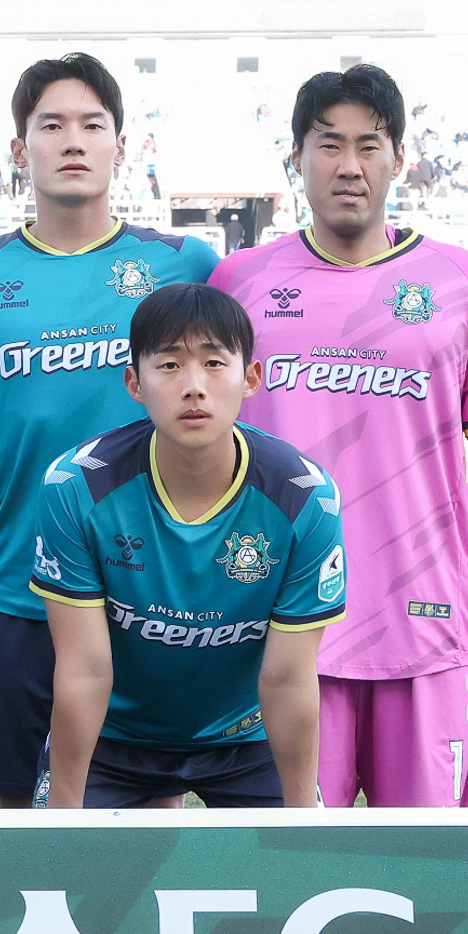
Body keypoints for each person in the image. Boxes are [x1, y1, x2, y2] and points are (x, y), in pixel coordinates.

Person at [210, 63, 468, 811]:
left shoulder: (462, 282)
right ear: (297, 157)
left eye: (369, 145)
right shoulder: (238, 282)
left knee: (429, 863)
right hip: (282, 633)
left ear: (398, 159)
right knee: (289, 862)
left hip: (425, 632)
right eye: (329, 144)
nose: (349, 165)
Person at [0, 52, 221, 807]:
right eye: (51, 125)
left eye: (92, 124)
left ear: (121, 145)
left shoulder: (184, 263)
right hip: (21, 590)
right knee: (24, 814)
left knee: (151, 808)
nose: (73, 141)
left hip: (153, 594)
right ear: (19, 149)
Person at [30, 285, 344, 809]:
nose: (194, 387)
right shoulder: (77, 486)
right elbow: (85, 670)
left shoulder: (305, 498)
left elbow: (288, 679)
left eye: (214, 363)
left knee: (295, 857)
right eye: (170, 365)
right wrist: (65, 822)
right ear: (134, 382)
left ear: (251, 378)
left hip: (247, 737)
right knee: (61, 857)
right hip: (114, 737)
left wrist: (300, 820)